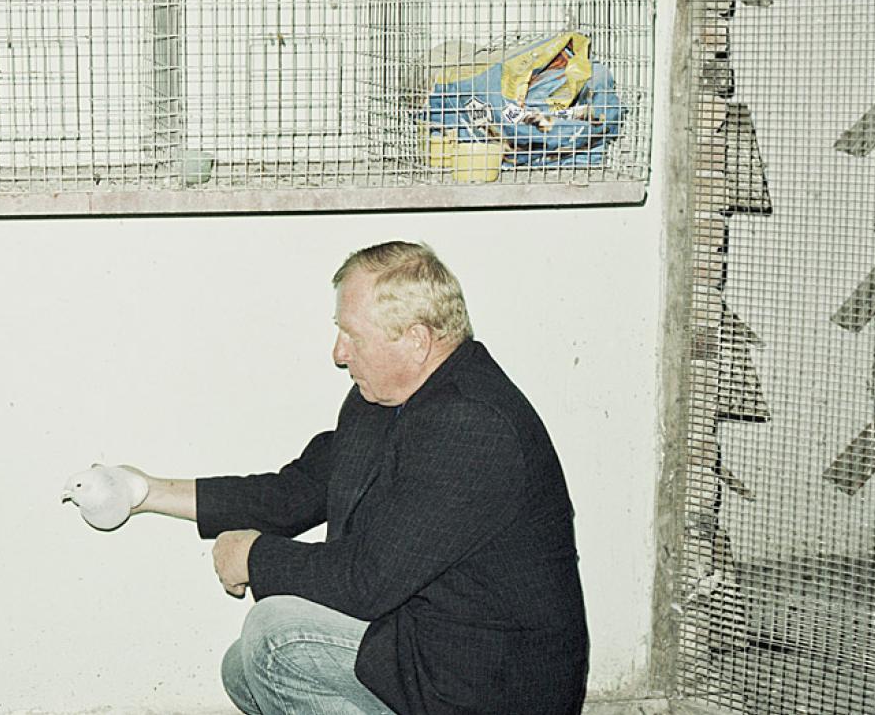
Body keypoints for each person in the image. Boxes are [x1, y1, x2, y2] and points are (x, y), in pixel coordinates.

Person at [125, 240, 589, 715]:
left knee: (275, 640)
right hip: (428, 644)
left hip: (493, 681)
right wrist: (145, 492)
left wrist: (254, 557)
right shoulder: (383, 402)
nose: (338, 353)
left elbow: (368, 580)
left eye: (353, 336)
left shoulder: (472, 422)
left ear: (417, 340)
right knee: (242, 669)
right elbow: (293, 494)